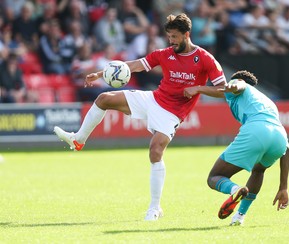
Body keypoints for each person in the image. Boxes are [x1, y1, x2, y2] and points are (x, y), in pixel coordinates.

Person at [53, 13, 226, 221]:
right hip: (154, 99)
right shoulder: (165, 53)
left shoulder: (205, 59)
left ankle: (155, 208)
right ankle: (78, 139)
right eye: (169, 36)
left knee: (155, 150)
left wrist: (198, 88)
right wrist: (99, 74)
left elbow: (223, 89)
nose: (171, 41)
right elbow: (134, 65)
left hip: (173, 113)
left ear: (187, 34)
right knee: (104, 98)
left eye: (174, 37)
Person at [183, 70, 289, 225]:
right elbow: (286, 150)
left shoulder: (239, 84)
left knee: (214, 177)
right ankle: (239, 217)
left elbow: (237, 86)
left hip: (257, 130)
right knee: (259, 170)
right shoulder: (266, 101)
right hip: (279, 137)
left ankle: (234, 190)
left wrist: (199, 88)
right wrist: (283, 187)